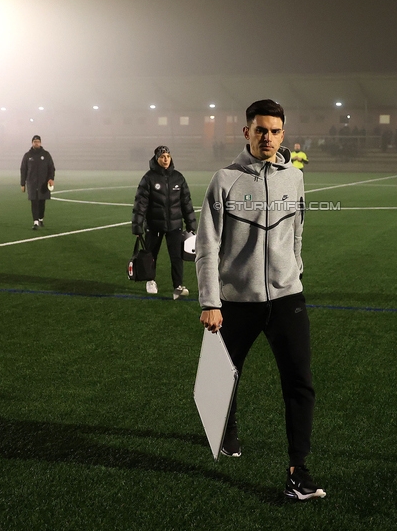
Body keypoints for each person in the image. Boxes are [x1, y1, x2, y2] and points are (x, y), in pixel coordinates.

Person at [196, 99, 325, 501]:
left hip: (288, 297)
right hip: (237, 300)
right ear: (247, 132)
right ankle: (228, 430)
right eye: (260, 129)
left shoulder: (295, 178)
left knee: (300, 382)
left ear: (283, 134)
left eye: (274, 130)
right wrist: (210, 301)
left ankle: (297, 472)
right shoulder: (225, 180)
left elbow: (298, 229)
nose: (267, 137)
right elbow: (206, 245)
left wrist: (296, 272)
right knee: (223, 377)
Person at [131, 145, 197, 299]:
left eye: (168, 156)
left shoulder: (178, 178)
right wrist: (137, 225)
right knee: (151, 255)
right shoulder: (148, 178)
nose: (166, 159)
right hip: (154, 226)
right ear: (156, 159)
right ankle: (151, 280)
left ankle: (178, 287)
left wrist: (191, 223)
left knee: (177, 257)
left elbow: (186, 202)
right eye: (162, 157)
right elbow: (140, 203)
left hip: (174, 225)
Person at [20, 135, 55, 230]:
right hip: (32, 183)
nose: (36, 143)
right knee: (34, 202)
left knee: (42, 202)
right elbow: (23, 169)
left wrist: (51, 179)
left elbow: (51, 168)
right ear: (32, 143)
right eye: (35, 141)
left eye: (38, 141)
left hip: (43, 183)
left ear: (40, 143)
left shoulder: (46, 154)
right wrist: (22, 183)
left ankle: (40, 219)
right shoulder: (27, 155)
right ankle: (35, 222)